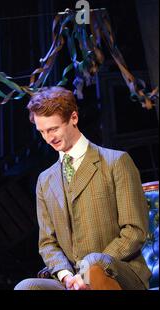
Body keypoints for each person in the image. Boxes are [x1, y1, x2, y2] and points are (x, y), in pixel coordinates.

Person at [15, 86, 150, 290]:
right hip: (73, 280)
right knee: (27, 287)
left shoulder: (116, 162)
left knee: (95, 262)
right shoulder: (45, 180)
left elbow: (134, 231)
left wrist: (89, 269)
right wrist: (66, 275)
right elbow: (47, 243)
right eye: (42, 132)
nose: (48, 138)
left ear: (74, 118)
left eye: (53, 129)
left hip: (118, 272)